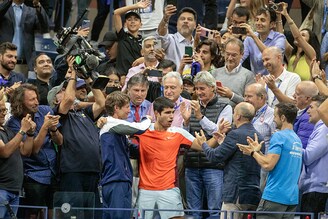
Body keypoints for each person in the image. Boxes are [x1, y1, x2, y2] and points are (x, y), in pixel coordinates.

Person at [134, 96, 210, 219]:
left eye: (173, 112)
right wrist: (106, 121)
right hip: (145, 190)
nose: (171, 116)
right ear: (157, 113)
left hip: (169, 189)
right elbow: (122, 129)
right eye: (167, 113)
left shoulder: (178, 133)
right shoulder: (143, 131)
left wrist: (218, 137)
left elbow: (203, 147)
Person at [52, 56, 105, 217]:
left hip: (93, 170)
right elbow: (68, 99)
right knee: (73, 215)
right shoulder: (59, 113)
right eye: (63, 90)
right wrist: (73, 73)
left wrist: (89, 77)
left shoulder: (84, 113)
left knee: (92, 215)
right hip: (73, 170)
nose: (70, 92)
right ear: (55, 99)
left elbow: (101, 102)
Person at [198, 102, 263, 219]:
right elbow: (239, 158)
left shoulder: (235, 134)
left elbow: (214, 157)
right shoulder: (259, 136)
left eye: (234, 113)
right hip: (253, 194)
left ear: (238, 116)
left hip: (235, 194)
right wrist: (223, 143)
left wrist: (203, 143)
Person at [6, 83, 63, 219]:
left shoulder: (45, 110)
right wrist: (44, 127)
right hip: (33, 176)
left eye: (36, 98)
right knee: (33, 214)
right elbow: (32, 151)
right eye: (32, 99)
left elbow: (60, 141)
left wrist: (54, 129)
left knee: (55, 213)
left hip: (53, 172)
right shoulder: (14, 123)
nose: (36, 102)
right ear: (21, 102)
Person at [181, 71, 232, 218]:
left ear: (212, 88)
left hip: (213, 166)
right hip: (191, 165)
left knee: (214, 210)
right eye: (196, 89)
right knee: (193, 211)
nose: (198, 92)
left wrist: (200, 117)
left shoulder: (225, 107)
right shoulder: (191, 107)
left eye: (202, 88)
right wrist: (186, 122)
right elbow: (185, 137)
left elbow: (219, 131)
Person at [238, 102, 302, 218]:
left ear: (282, 118)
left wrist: (252, 153)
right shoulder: (296, 139)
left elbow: (268, 165)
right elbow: (276, 161)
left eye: (275, 116)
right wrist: (258, 152)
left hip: (275, 197)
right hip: (291, 198)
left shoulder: (279, 136)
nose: (273, 120)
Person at [99, 91, 151, 219]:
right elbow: (139, 128)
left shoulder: (115, 128)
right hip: (116, 180)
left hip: (117, 179)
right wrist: (147, 118)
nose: (129, 111)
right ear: (116, 108)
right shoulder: (112, 124)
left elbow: (131, 148)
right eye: (127, 107)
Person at [0, 89, 35, 218]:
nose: (4, 114)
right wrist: (22, 130)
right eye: (0, 110)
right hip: (2, 189)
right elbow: (4, 152)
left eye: (4, 110)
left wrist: (30, 134)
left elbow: (25, 151)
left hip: (14, 190)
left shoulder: (8, 130)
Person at [0, 0, 49, 73]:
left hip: (23, 64)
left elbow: (44, 26)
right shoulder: (4, 8)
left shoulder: (32, 11)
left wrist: (37, 5)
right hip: (3, 64)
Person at [299, 95, 328, 219]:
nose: (308, 111)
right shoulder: (319, 129)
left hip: (318, 189)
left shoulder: (324, 129)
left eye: (311, 107)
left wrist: (291, 145)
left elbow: (308, 156)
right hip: (313, 188)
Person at [276, 2, 320, 81]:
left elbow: (297, 37)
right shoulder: (291, 55)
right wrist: (279, 16)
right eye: (299, 33)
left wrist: (286, 15)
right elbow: (280, 37)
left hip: (307, 92)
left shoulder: (311, 55)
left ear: (309, 41)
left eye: (303, 35)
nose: (299, 35)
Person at [244, 83, 275, 191]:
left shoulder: (273, 115)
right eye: (245, 96)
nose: (246, 99)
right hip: (245, 165)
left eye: (249, 96)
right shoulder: (245, 113)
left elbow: (275, 143)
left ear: (261, 97)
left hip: (262, 167)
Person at [240, 7, 286, 75]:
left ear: (272, 24)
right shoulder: (249, 38)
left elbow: (271, 56)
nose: (258, 23)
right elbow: (241, 58)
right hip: (256, 80)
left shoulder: (279, 38)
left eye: (262, 20)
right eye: (257, 20)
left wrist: (254, 37)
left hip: (275, 79)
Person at [212, 38, 255, 107]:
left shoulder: (248, 75)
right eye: (227, 54)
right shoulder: (215, 73)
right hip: (215, 113)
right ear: (224, 53)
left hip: (236, 114)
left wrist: (231, 95)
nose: (230, 58)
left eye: (234, 55)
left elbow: (250, 103)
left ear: (242, 54)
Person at [113, 1, 150, 76]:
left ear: (141, 24)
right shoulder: (122, 36)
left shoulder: (144, 42)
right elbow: (116, 13)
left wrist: (144, 59)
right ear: (125, 24)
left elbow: (153, 58)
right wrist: (135, 6)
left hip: (139, 76)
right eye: (129, 20)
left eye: (136, 19)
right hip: (123, 76)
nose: (132, 22)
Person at [293, 81, 318, 148]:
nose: (293, 96)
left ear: (307, 98)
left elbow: (301, 146)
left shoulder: (308, 117)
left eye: (297, 94)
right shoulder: (303, 113)